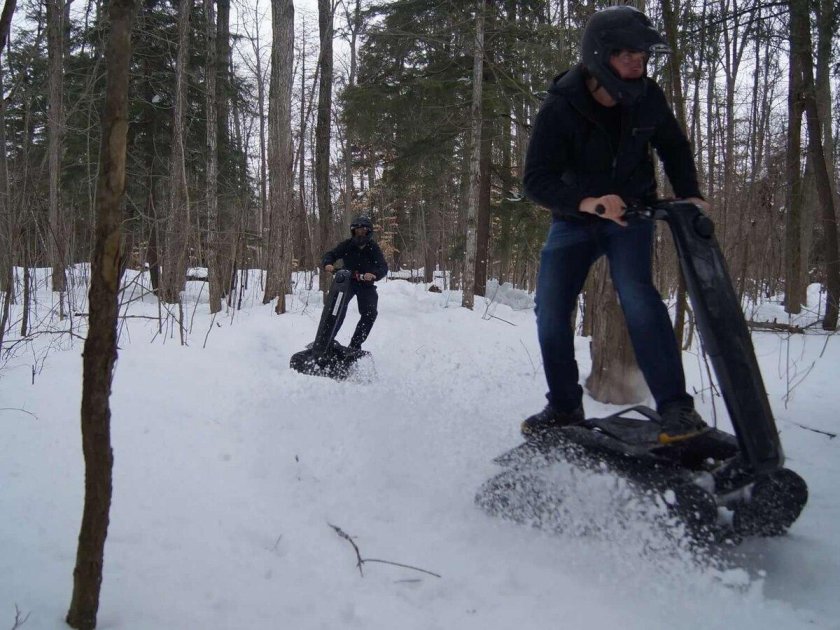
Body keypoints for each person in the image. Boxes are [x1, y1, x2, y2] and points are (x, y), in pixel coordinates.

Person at [521, 6, 708, 444]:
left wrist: (689, 192)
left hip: (630, 218)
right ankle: (564, 407)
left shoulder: (648, 97)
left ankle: (677, 409)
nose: (637, 64)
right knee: (550, 309)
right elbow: (536, 180)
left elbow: (673, 145)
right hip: (573, 221)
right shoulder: (561, 105)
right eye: (627, 55)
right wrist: (588, 202)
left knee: (639, 298)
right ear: (600, 56)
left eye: (642, 56)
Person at [321, 216, 389, 352]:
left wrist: (374, 275)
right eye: (357, 231)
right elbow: (331, 254)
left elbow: (383, 267)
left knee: (370, 313)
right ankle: (325, 342)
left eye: (363, 231)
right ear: (353, 232)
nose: (360, 233)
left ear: (368, 232)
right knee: (336, 309)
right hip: (347, 282)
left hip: (366, 284)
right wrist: (328, 263)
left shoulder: (373, 248)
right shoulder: (347, 245)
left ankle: (355, 346)